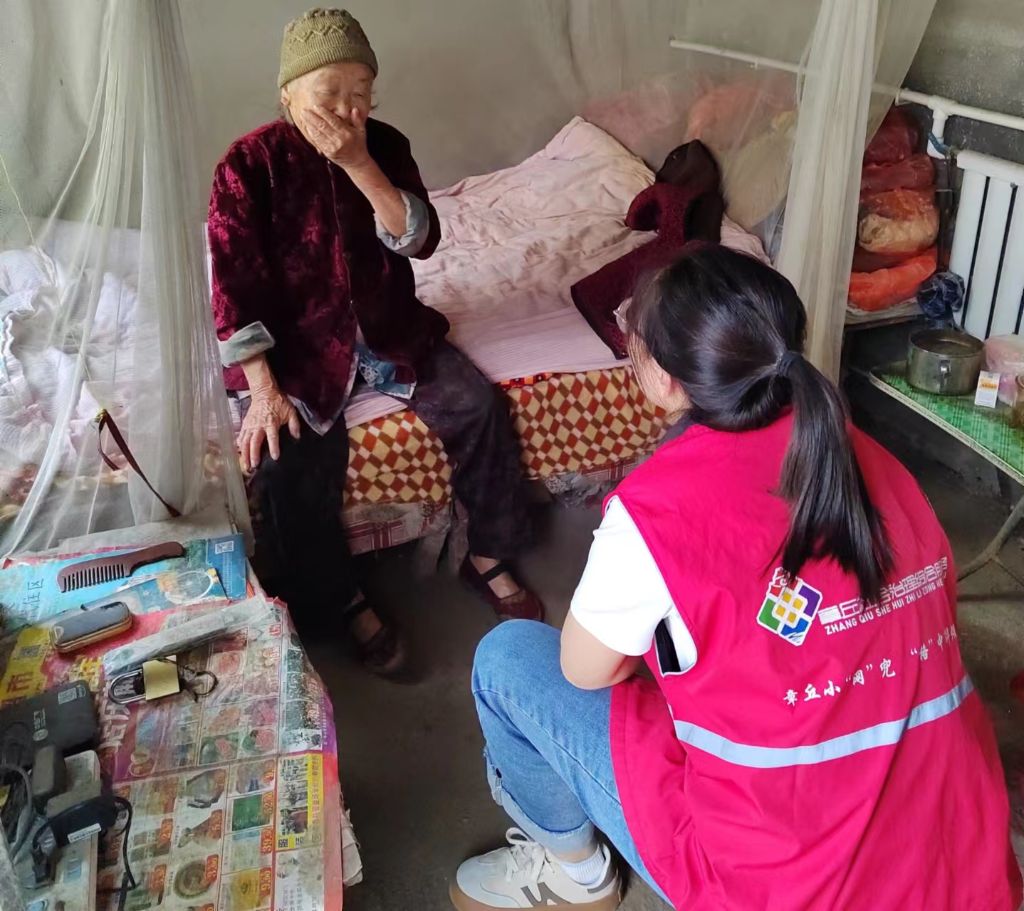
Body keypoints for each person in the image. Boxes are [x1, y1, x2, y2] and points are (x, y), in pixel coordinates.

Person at [452, 245, 1022, 910]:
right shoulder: (870, 456)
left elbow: (585, 671)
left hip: (781, 886)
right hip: (959, 863)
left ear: (665, 377)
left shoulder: (656, 511)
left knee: (509, 659)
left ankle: (577, 875)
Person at [207, 9, 542, 677]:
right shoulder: (249, 164)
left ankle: (487, 553)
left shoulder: (383, 145)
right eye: (329, 93)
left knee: (477, 406)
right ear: (288, 95)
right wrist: (264, 389)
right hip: (299, 350)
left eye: (360, 93)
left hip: (390, 330)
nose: (346, 109)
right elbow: (233, 290)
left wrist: (358, 162)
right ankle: (342, 597)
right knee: (284, 465)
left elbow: (420, 240)